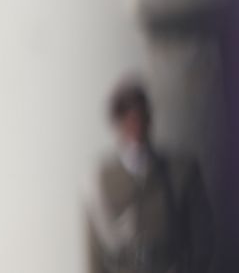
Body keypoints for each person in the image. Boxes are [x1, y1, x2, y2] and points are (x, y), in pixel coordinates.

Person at [85, 77, 212, 273]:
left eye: (139, 116)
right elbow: (95, 251)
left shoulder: (180, 171)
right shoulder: (104, 180)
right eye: (126, 118)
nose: (134, 125)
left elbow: (203, 238)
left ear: (149, 118)